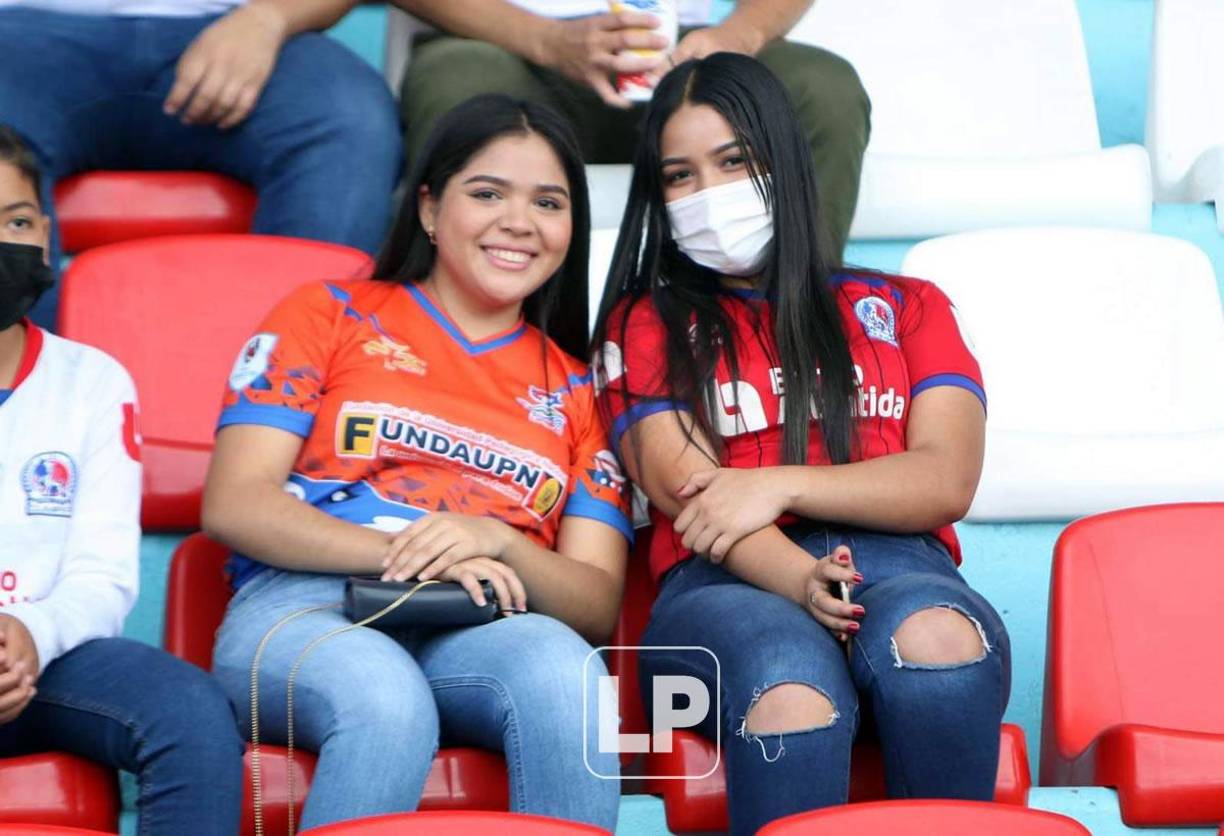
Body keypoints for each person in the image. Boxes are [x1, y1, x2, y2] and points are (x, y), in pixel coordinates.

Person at [591, 54, 1010, 835]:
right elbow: (697, 499)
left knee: (939, 641)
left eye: (734, 161)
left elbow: (947, 478)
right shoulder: (639, 324)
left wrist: (781, 484)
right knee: (790, 681)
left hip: (902, 568)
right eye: (679, 177)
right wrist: (802, 579)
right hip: (720, 591)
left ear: (782, 158)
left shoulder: (908, 305)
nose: (708, 195)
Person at [202, 94, 632, 830]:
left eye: (549, 202)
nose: (519, 222)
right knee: (383, 696)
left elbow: (593, 605)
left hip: (481, 622)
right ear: (430, 210)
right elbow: (235, 503)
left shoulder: (581, 390)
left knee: (573, 684)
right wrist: (417, 554)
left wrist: (495, 541)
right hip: (304, 602)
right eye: (488, 193)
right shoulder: (328, 313)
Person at [0, 126, 244, 834]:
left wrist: (27, 632)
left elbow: (103, 579)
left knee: (188, 713)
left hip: (46, 660)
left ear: (46, 233)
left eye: (16, 222)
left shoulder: (92, 381)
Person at [0, 0, 402, 328]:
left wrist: (271, 17)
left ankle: (289, 386)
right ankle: (21, 395)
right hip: (22, 35)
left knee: (347, 122)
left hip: (246, 26)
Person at [395, 0, 869, 260]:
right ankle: (447, 332)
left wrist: (738, 37)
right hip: (505, 39)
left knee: (821, 88)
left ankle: (802, 321)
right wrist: (545, 39)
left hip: (682, 44)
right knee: (455, 80)